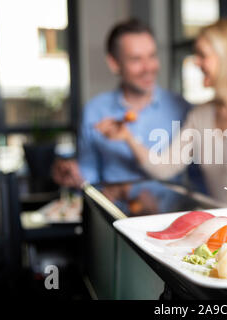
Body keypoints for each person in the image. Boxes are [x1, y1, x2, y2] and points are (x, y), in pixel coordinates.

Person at [97, 19, 227, 206]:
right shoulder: (200, 115)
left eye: (202, 55)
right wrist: (128, 138)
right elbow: (164, 168)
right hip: (220, 236)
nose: (196, 62)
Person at [52, 18, 201, 214]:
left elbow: (198, 180)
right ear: (114, 63)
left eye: (152, 56)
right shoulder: (95, 111)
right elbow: (89, 178)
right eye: (136, 59)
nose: (148, 67)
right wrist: (71, 175)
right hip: (113, 221)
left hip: (170, 221)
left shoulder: (183, 109)